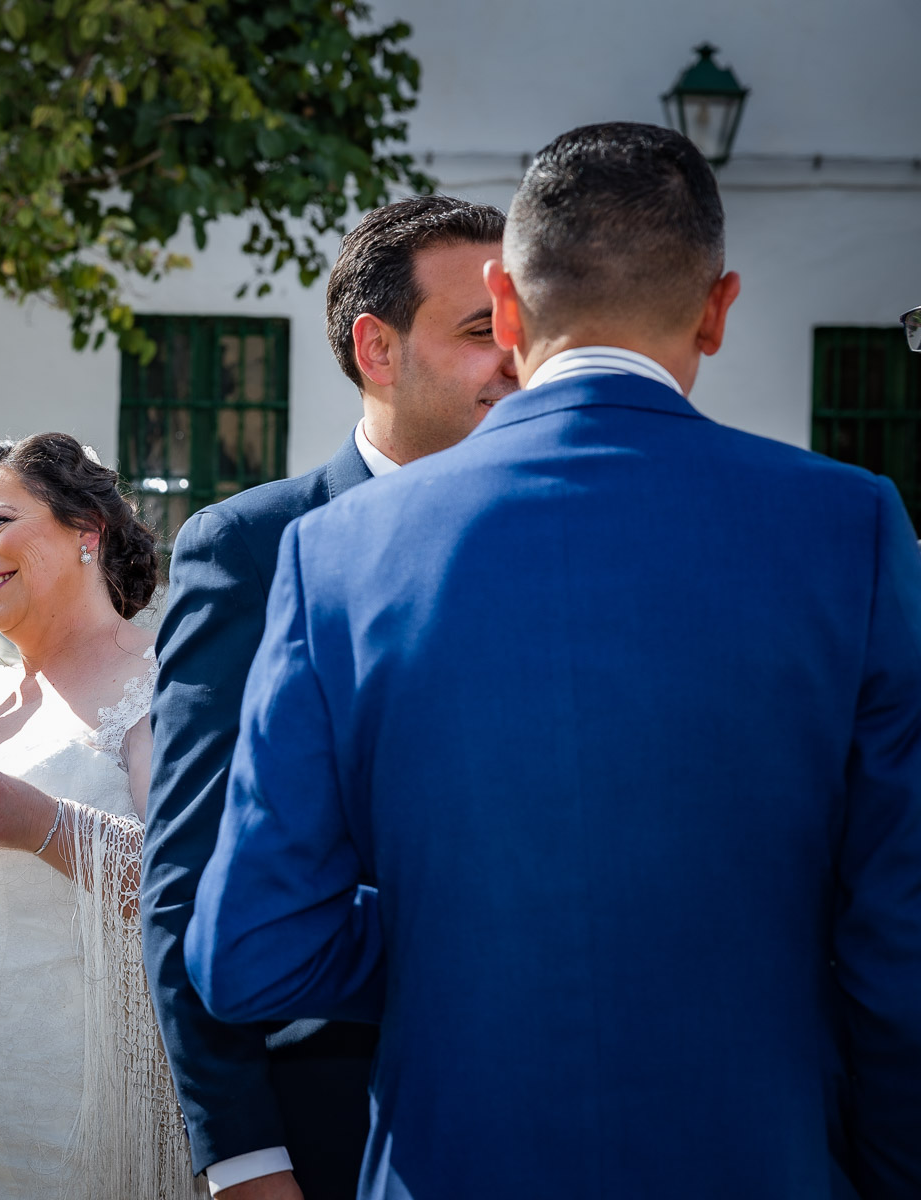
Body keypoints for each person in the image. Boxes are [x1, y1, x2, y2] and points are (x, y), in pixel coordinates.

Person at [188, 122, 921, 1199]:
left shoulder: (340, 549)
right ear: (717, 309)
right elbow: (899, 940)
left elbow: (249, 950)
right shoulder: (851, 527)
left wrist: (467, 924)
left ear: (512, 304)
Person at [142, 194, 512, 1200]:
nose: (514, 360)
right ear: (377, 348)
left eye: (521, 329)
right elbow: (186, 878)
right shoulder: (252, 549)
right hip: (333, 1118)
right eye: (482, 332)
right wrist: (248, 1159)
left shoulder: (554, 541)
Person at [0, 433, 200, 1200]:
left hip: (71, 1109)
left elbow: (184, 887)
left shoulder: (159, 684)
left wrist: (45, 826)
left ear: (86, 529)